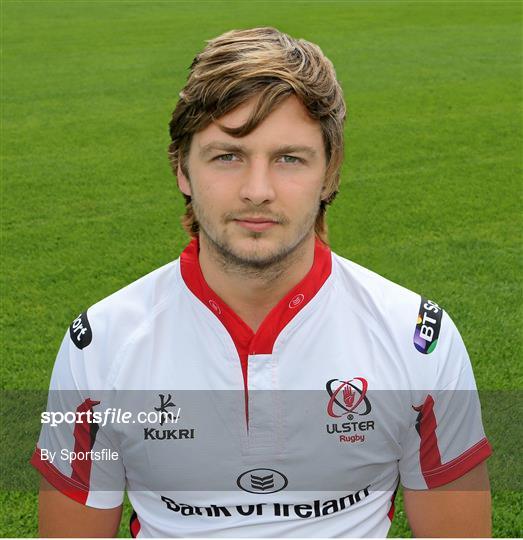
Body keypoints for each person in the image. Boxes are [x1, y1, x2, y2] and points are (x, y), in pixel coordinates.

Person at [31, 27, 492, 537]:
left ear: (330, 172)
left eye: (288, 158)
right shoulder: (99, 344)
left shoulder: (419, 340)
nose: (257, 191)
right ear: (182, 168)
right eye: (227, 155)